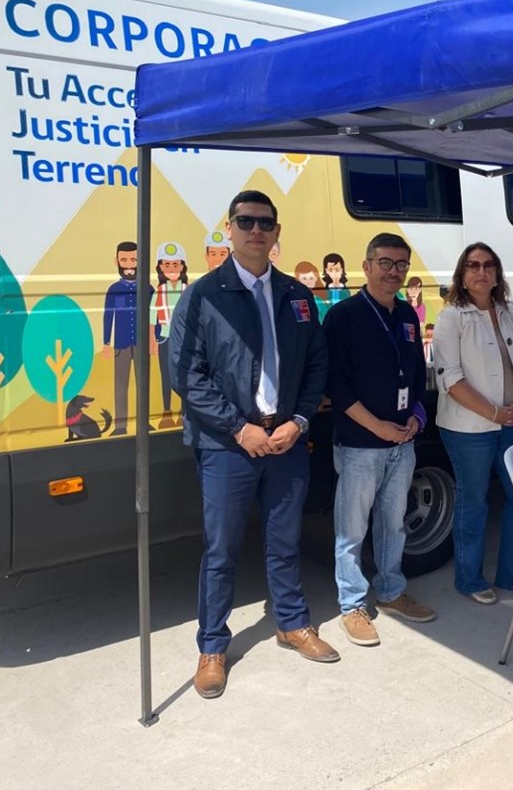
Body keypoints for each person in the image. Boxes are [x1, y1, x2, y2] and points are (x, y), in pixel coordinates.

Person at [169, 189, 335, 699]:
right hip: (228, 445)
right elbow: (184, 373)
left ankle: (291, 623)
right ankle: (212, 647)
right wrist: (239, 428)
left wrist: (301, 420)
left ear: (277, 232)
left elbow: (316, 366)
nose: (256, 231)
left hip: (285, 439)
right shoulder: (203, 295)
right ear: (231, 228)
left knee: (285, 542)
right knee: (220, 550)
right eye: (246, 222)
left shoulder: (297, 297)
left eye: (265, 223)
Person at [323, 233, 436, 646]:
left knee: (393, 525)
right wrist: (379, 427)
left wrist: (417, 420)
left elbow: (418, 376)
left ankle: (390, 591)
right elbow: (337, 385)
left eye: (401, 264)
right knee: (351, 530)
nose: (393, 271)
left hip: (402, 444)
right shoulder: (344, 317)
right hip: (360, 446)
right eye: (385, 263)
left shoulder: (407, 315)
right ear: (367, 266)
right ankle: (352, 605)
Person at [432, 242, 513, 604]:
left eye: (488, 265)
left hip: (512, 421)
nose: (481, 272)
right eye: (473, 265)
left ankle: (512, 574)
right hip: (469, 429)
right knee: (473, 502)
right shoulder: (451, 318)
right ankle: (470, 579)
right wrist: (494, 413)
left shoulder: (507, 311)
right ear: (462, 273)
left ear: (497, 273)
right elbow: (451, 379)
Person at [101, 240, 143, 436]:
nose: (129, 265)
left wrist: (156, 338)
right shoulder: (114, 289)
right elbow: (108, 316)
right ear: (116, 261)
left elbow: (155, 316)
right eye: (124, 260)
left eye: (133, 259)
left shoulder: (148, 289)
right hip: (121, 344)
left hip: (141, 344)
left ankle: (144, 423)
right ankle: (120, 426)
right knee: (121, 386)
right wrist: (106, 343)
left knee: (143, 385)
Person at [150, 241, 188, 429]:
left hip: (183, 339)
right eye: (167, 265)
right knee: (166, 376)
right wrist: (151, 341)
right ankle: (166, 412)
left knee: (184, 376)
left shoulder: (187, 289)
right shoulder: (159, 290)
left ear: (182, 266)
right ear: (161, 268)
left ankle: (183, 411)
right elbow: (152, 317)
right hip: (164, 338)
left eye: (175, 264)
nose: (171, 268)